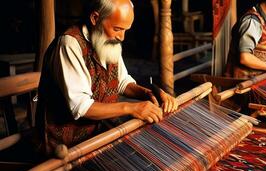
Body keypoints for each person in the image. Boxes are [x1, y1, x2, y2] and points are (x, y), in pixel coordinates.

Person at [35, 0, 178, 156]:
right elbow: (82, 107)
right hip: (65, 148)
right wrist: (132, 108)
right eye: (117, 29)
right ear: (95, 18)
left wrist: (149, 94)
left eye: (125, 30)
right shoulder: (69, 44)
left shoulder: (108, 40)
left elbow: (122, 82)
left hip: (100, 135)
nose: (122, 37)